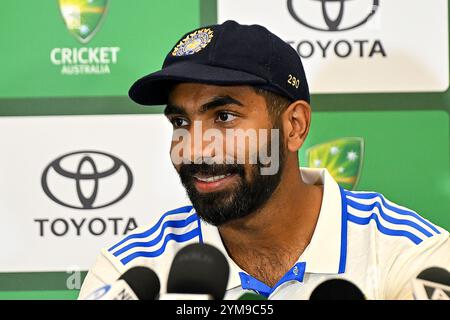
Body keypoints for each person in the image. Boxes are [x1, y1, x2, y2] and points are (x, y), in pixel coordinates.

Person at [78, 20, 449, 300]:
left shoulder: (408, 256)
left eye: (223, 117)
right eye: (180, 122)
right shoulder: (131, 273)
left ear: (294, 126)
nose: (194, 150)